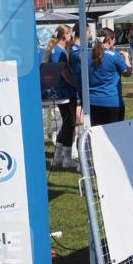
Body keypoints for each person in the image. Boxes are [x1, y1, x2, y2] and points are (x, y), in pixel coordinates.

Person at [72, 28, 131, 126]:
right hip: (111, 102)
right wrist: (126, 58)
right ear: (109, 40)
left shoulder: (86, 56)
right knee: (114, 135)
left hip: (92, 102)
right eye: (114, 39)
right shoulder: (114, 55)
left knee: (97, 134)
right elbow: (128, 73)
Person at [44, 25, 79, 168]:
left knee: (66, 122)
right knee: (69, 123)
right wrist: (77, 85)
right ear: (64, 35)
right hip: (65, 91)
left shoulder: (58, 50)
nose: (71, 36)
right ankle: (66, 158)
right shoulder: (59, 51)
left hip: (62, 91)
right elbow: (64, 73)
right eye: (70, 33)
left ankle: (59, 156)